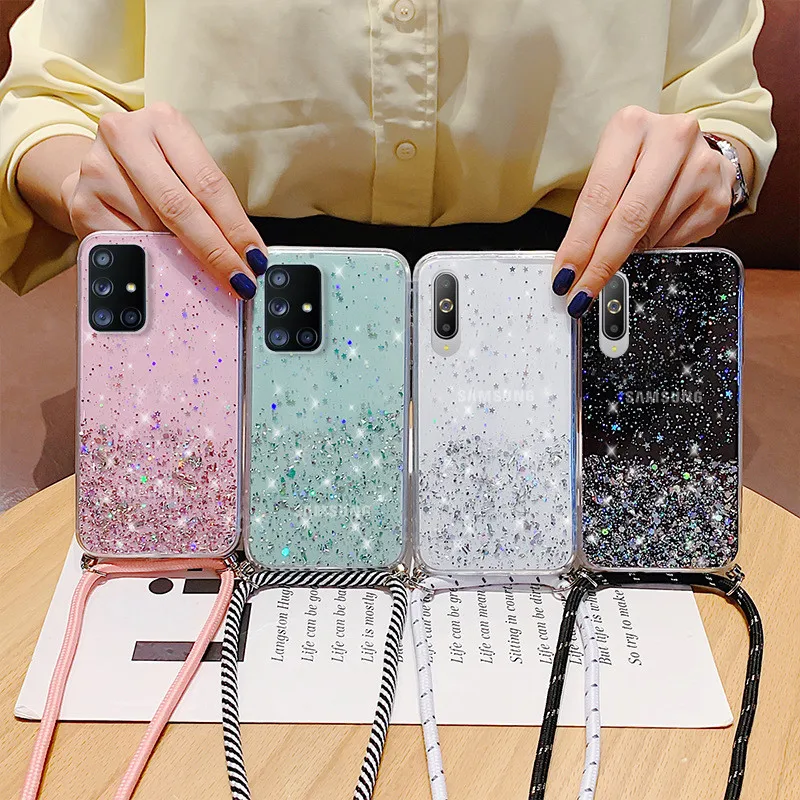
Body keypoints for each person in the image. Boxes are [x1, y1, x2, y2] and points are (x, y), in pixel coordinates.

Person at [0, 0, 775, 313]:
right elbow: (46, 104)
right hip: (218, 308)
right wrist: (80, 178)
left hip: (575, 313)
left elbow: (723, 110)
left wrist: (719, 165)